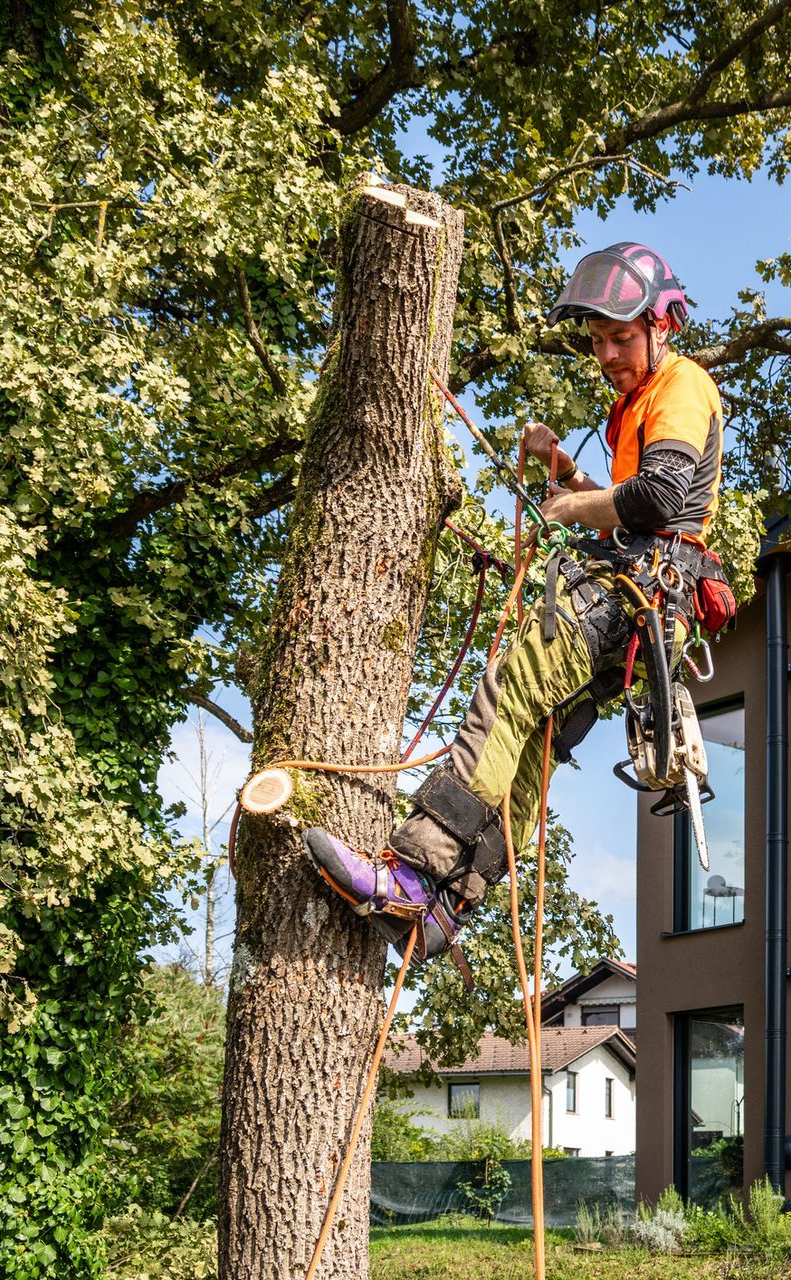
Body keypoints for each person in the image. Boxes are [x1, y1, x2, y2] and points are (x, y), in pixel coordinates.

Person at [303, 243, 729, 964]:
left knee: (506, 696)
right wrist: (565, 468)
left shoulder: (681, 385)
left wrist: (570, 507)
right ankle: (447, 906)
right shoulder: (635, 407)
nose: (609, 354)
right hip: (642, 612)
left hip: (630, 596)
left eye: (623, 336)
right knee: (530, 748)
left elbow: (657, 499)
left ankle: (412, 872)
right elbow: (638, 505)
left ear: (664, 324)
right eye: (597, 341)